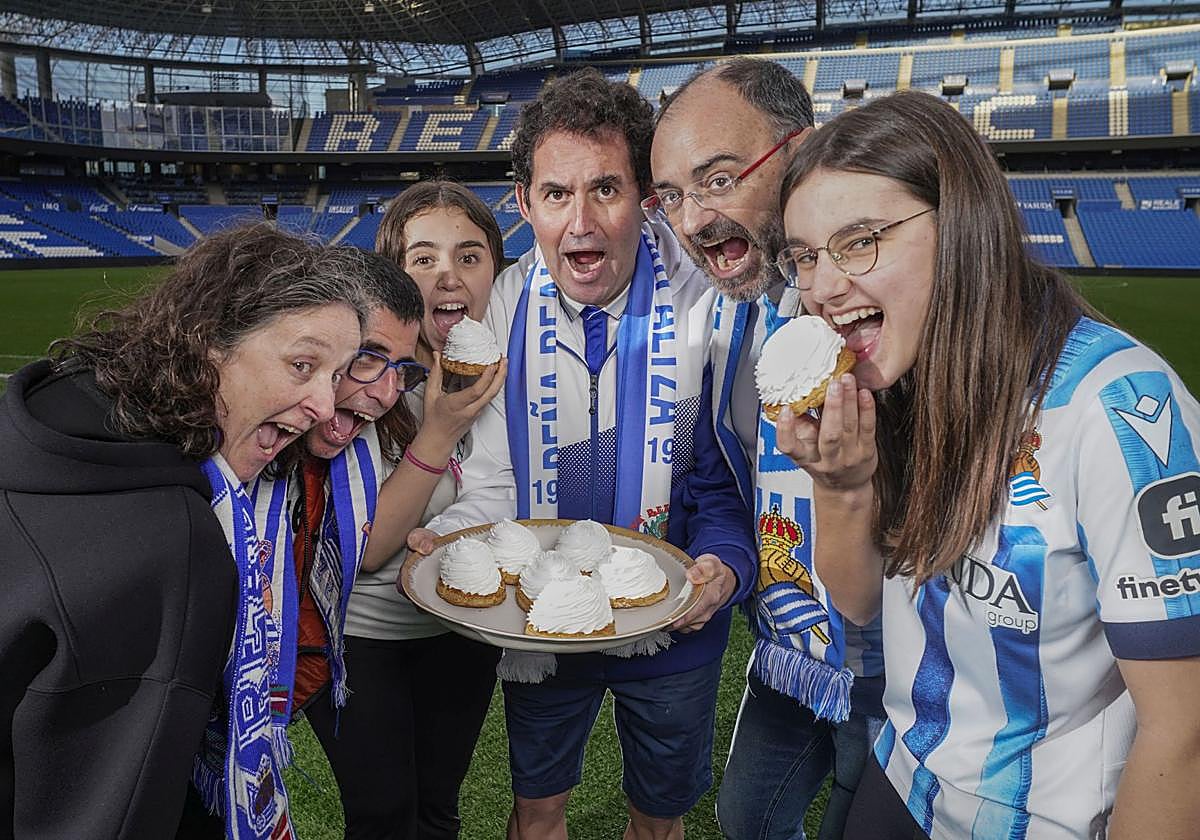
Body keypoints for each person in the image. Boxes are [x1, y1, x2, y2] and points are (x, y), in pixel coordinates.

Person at [772, 90, 1200, 839]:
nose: (822, 287)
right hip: (904, 779)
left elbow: (1186, 729)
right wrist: (840, 484)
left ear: (963, 227)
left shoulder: (1119, 408)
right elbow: (863, 606)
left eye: (858, 241)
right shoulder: (897, 378)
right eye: (805, 256)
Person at [402, 69, 757, 840]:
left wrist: (725, 565)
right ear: (525, 203)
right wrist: (452, 537)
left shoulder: (710, 303)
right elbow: (494, 478)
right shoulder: (502, 303)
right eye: (557, 194)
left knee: (658, 824)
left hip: (674, 627)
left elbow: (724, 482)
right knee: (535, 815)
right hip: (541, 619)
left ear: (646, 198)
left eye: (606, 189)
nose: (581, 222)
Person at [0, 223, 366, 839]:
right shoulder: (177, 543)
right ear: (208, 342)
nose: (326, 407)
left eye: (336, 376)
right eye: (302, 365)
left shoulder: (49, 422)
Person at [650, 57, 885, 840]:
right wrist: (728, 562)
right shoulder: (727, 316)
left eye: (718, 180)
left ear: (802, 149)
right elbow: (726, 478)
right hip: (787, 648)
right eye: (672, 196)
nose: (692, 221)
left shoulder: (880, 311)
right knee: (746, 819)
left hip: (899, 666)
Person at [302, 186, 506, 840]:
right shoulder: (358, 375)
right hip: (359, 636)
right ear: (392, 275)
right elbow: (363, 549)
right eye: (424, 259)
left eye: (469, 256)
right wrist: (438, 432)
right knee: (383, 816)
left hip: (461, 629)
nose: (448, 275)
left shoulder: (509, 365)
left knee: (438, 806)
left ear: (495, 272)